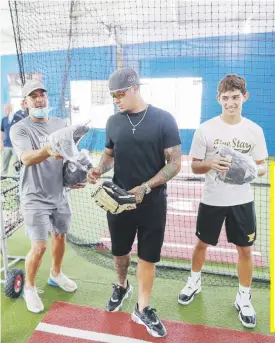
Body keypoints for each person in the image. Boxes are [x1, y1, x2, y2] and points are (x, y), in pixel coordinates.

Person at [87, 67, 181, 338]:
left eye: (120, 93)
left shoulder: (163, 119)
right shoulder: (113, 121)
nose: (116, 99)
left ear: (136, 88)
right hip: (119, 201)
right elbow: (108, 155)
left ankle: (143, 307)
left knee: (148, 257)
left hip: (152, 202)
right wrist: (98, 169)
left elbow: (175, 163)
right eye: (112, 95)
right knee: (120, 251)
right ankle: (121, 285)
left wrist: (146, 187)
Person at [178, 74, 268, 329]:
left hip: (242, 201)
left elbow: (263, 166)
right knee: (201, 244)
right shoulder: (205, 129)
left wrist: (249, 168)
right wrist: (210, 163)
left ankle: (244, 297)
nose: (231, 102)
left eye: (236, 97)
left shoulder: (254, 130)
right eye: (226, 98)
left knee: (245, 250)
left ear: (245, 97)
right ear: (219, 99)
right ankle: (194, 281)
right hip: (212, 200)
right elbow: (194, 166)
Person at [10, 79, 79, 314]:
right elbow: (27, 158)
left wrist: (73, 177)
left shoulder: (60, 124)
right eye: (34, 96)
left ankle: (56, 274)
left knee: (60, 237)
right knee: (39, 246)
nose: (40, 99)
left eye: (42, 94)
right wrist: (50, 149)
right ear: (25, 102)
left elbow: (69, 156)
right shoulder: (20, 128)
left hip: (59, 193)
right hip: (34, 196)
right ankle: (29, 287)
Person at [1, 104, 24, 176]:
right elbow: (2, 131)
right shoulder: (4, 119)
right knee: (4, 163)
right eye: (4, 109)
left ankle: (16, 177)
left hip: (16, 145)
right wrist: (0, 142)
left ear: (11, 109)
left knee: (17, 163)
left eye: (7, 109)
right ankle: (3, 176)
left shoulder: (19, 118)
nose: (5, 111)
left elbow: (22, 131)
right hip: (6, 145)